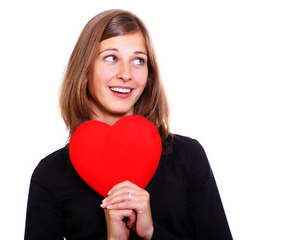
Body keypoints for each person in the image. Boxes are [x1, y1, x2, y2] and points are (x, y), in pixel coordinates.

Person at [24, 9, 233, 240]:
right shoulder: (51, 174)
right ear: (85, 69)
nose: (126, 74)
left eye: (138, 60)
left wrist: (151, 233)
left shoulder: (188, 156)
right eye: (111, 58)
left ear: (149, 74)